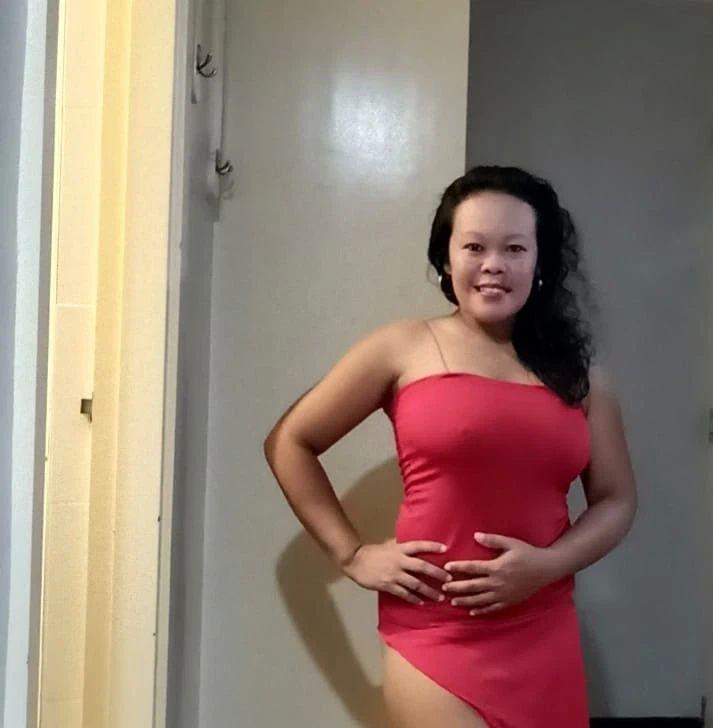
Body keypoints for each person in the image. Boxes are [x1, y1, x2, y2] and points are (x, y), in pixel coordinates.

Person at [263, 165, 638, 727]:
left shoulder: (581, 375)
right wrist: (353, 554)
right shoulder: (403, 346)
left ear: (540, 263)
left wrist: (548, 565)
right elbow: (291, 441)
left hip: (543, 627)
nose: (493, 264)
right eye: (474, 247)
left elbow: (616, 499)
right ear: (446, 258)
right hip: (435, 630)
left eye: (515, 248)